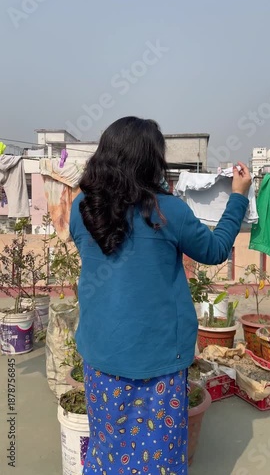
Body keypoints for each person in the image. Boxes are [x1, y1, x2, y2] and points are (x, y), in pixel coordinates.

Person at [70, 116, 251, 475]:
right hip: (159, 363)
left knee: (108, 450)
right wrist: (238, 197)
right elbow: (215, 250)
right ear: (152, 161)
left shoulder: (84, 208)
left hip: (101, 357)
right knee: (158, 459)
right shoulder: (168, 211)